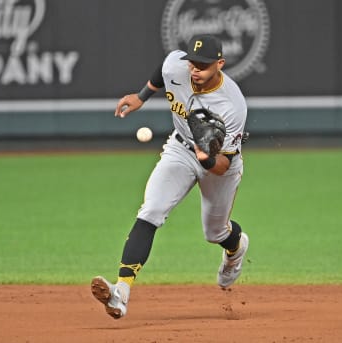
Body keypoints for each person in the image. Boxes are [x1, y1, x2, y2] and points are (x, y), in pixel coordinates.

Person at [91, 34, 250, 319]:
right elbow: (162, 73)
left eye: (203, 64)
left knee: (214, 232)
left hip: (220, 164)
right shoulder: (176, 66)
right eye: (193, 62)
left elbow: (225, 164)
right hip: (180, 149)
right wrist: (141, 98)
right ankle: (121, 292)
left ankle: (236, 248)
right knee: (151, 210)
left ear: (220, 64)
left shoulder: (233, 105)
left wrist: (208, 158)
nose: (195, 69)